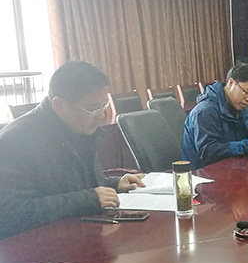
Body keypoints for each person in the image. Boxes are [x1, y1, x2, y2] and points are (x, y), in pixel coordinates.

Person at [0, 61, 145, 240]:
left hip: (79, 236)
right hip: (38, 249)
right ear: (59, 105)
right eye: (93, 109)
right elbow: (10, 214)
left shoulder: (77, 128)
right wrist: (88, 200)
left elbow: (69, 186)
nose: (102, 115)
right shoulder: (13, 142)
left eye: (104, 106)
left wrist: (113, 184)